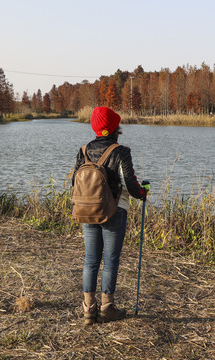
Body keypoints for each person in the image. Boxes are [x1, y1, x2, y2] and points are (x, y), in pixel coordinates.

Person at [72, 106, 149, 325]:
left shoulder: (84, 150)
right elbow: (131, 187)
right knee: (111, 260)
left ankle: (88, 309)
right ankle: (107, 308)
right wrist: (143, 192)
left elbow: (74, 182)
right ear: (116, 127)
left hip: (87, 210)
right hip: (115, 211)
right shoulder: (121, 151)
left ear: (95, 127)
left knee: (90, 260)